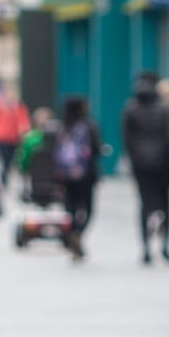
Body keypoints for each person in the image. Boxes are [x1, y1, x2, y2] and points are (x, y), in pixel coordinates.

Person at [122, 72, 169, 264]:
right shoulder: (165, 109)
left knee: (144, 204)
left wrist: (134, 159)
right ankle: (165, 246)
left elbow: (127, 140)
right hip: (164, 164)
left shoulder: (130, 110)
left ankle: (145, 247)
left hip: (141, 165)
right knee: (166, 204)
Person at [54, 96, 101, 260]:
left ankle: (73, 233)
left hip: (66, 176)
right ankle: (78, 233)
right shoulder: (89, 126)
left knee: (70, 208)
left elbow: (55, 152)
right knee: (88, 209)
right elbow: (96, 149)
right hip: (85, 175)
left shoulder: (62, 127)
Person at [0, 82, 30, 186]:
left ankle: (3, 179)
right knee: (1, 162)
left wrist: (23, 131)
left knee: (8, 162)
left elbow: (23, 123)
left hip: (12, 140)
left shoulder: (17, 107)